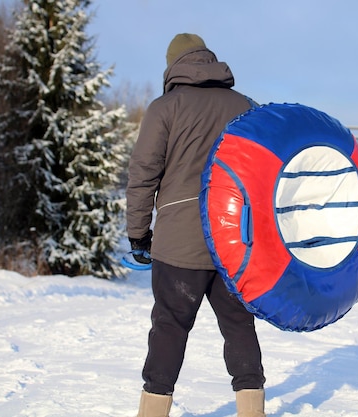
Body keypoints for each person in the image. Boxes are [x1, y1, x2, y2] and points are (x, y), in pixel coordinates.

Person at [126, 33, 266, 417]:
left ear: (173, 67)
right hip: (233, 242)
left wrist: (139, 235)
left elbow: (143, 176)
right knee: (239, 325)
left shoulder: (164, 108)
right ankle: (252, 410)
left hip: (178, 245)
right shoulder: (246, 107)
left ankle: (152, 411)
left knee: (169, 326)